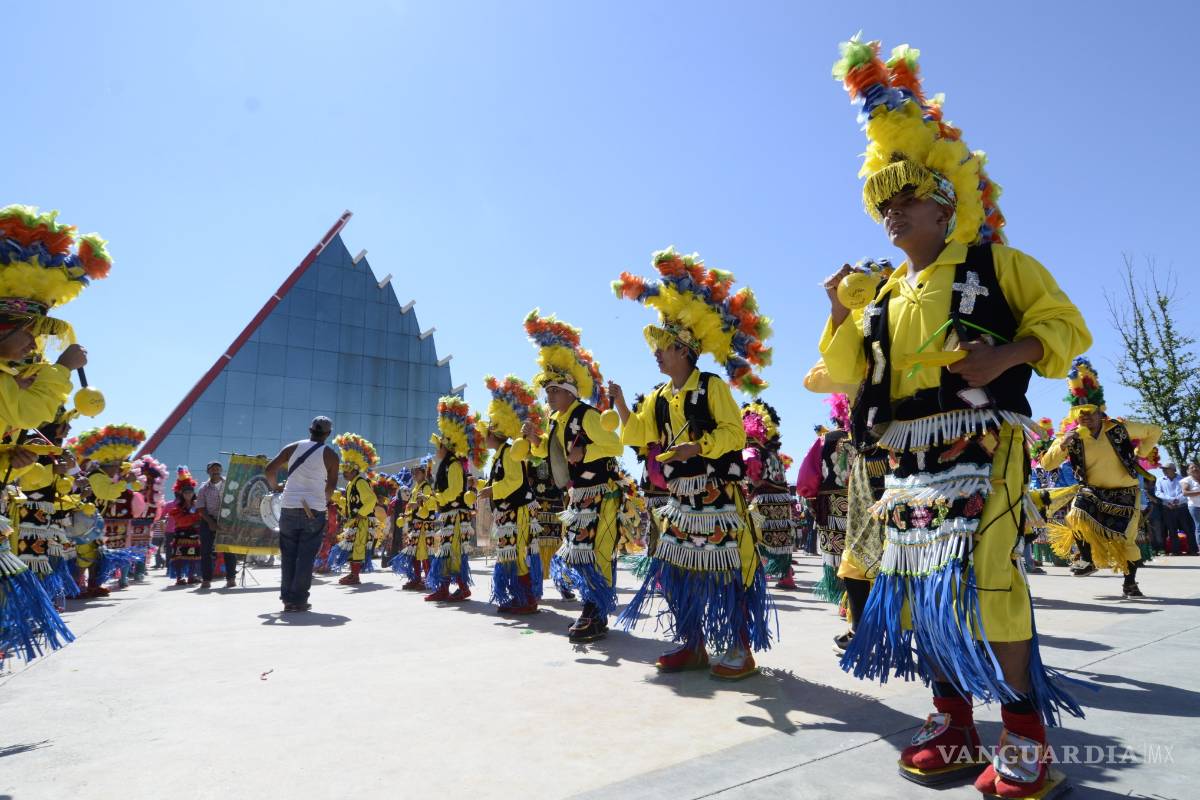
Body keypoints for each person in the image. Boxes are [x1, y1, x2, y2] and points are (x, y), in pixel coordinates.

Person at [823, 38, 1090, 796]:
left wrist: (1005, 357)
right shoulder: (882, 295)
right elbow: (843, 371)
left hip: (983, 445)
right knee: (919, 588)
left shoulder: (998, 266)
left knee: (991, 581)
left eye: (905, 200)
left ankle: (1026, 735)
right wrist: (834, 310)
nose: (891, 214)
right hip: (905, 462)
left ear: (946, 204)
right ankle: (953, 724)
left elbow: (1066, 330)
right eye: (883, 204)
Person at [611, 248, 775, 679]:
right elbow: (638, 433)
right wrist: (621, 404)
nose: (656, 353)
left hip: (718, 498)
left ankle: (740, 648)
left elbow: (735, 434)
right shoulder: (659, 397)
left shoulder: (711, 386)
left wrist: (697, 448)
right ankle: (693, 643)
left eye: (663, 346)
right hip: (681, 502)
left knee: (728, 573)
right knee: (676, 573)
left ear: (684, 350)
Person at [523, 310, 623, 643]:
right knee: (579, 552)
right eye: (547, 391)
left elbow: (615, 445)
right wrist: (535, 441)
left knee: (598, 552)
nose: (548, 396)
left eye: (553, 390)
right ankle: (592, 608)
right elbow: (551, 454)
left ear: (569, 392)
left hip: (603, 493)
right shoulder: (556, 421)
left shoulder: (587, 415)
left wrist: (587, 452)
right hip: (579, 496)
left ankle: (596, 612)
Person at [1041, 358, 1162, 597]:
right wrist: (1063, 445)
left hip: (1125, 493)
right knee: (1075, 514)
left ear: (1100, 412)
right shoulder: (1071, 436)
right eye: (1080, 414)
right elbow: (1047, 464)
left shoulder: (1119, 428)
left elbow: (1155, 430)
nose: (1085, 417)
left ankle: (1130, 583)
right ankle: (1087, 560)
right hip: (1093, 491)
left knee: (1126, 542)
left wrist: (1141, 453)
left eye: (1090, 413)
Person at [479, 375, 544, 615]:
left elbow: (515, 480)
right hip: (508, 514)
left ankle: (527, 600)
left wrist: (491, 490)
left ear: (494, 434)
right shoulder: (500, 455)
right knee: (511, 554)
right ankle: (520, 597)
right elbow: (502, 481)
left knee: (518, 554)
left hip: (519, 511)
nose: (483, 437)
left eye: (486, 432)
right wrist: (484, 487)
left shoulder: (509, 452)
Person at [263, 416, 340, 613]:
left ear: (310, 430)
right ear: (328, 434)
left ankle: (287, 599)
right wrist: (322, 501)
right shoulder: (331, 456)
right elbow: (331, 487)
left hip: (289, 506)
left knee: (288, 554)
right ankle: (299, 600)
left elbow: (269, 470)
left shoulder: (292, 448)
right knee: (305, 556)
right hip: (314, 510)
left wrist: (276, 487)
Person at [424, 397, 484, 603]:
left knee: (453, 552)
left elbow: (455, 490)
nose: (436, 450)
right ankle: (446, 588)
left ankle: (461, 588)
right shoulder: (446, 464)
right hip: (449, 515)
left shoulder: (454, 465)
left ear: (446, 447)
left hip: (457, 515)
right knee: (447, 551)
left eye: (438, 446)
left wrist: (438, 497)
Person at [797, 400, 852, 605]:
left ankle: (840, 596)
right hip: (858, 500)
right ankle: (854, 598)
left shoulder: (824, 440)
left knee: (835, 550)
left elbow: (808, 474)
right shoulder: (860, 437)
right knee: (855, 546)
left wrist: (810, 498)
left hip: (830, 503)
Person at [741, 400, 800, 591]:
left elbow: (753, 474)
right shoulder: (774, 453)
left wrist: (751, 482)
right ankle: (786, 575)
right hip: (782, 501)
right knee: (782, 539)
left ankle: (760, 571)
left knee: (756, 536)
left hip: (762, 502)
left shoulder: (753, 451)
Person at [324, 432, 379, 585]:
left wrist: (361, 513)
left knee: (357, 547)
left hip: (362, 521)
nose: (344, 473)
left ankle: (355, 576)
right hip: (355, 520)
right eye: (344, 469)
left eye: (347, 470)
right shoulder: (351, 483)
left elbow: (371, 500)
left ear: (355, 470)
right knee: (352, 546)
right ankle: (353, 574)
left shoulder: (360, 482)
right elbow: (351, 504)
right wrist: (339, 500)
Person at [392, 459, 437, 590]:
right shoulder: (415, 488)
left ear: (423, 473)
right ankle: (416, 578)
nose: (414, 475)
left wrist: (418, 504)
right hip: (416, 525)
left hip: (425, 526)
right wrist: (406, 516)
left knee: (424, 553)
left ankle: (428, 579)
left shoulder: (426, 487)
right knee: (414, 553)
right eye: (413, 473)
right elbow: (412, 507)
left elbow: (431, 504)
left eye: (417, 472)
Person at [195, 461, 236, 589]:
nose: (216, 471)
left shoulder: (230, 484)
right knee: (206, 551)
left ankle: (231, 578)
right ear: (208, 472)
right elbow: (200, 508)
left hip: (227, 521)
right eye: (213, 469)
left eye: (218, 468)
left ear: (221, 470)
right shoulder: (203, 488)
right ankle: (206, 580)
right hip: (208, 520)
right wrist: (211, 523)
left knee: (229, 550)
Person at [166, 468, 203, 585]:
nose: (188, 494)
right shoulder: (177, 507)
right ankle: (179, 578)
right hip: (180, 534)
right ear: (182, 494)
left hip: (194, 535)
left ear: (193, 493)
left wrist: (195, 520)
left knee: (193, 556)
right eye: (186, 492)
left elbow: (200, 518)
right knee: (179, 557)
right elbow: (181, 521)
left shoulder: (197, 505)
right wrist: (193, 520)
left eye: (190, 492)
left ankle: (191, 577)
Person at [1156, 463, 1196, 555]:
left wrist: (1177, 500)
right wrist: (1171, 500)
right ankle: (1175, 551)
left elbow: (1186, 492)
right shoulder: (1160, 480)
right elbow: (1158, 493)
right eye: (1163, 469)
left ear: (1173, 469)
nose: (1164, 470)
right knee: (1172, 530)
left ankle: (1193, 550)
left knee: (1188, 529)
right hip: (1168, 508)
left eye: (1166, 468)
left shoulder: (1182, 479)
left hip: (1182, 508)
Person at [1182, 463, 1200, 552]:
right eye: (1191, 467)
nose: (1194, 468)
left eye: (1196, 467)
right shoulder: (1187, 480)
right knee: (1199, 526)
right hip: (1195, 506)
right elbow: (1185, 493)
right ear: (1188, 471)